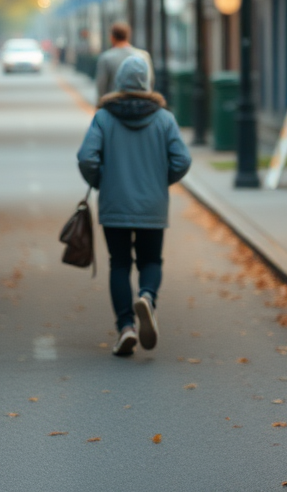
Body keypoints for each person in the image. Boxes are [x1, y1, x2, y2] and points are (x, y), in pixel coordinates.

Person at [77, 56, 191, 357]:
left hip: (115, 204)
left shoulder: (104, 117)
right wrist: (159, 180)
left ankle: (126, 327)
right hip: (152, 205)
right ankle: (147, 297)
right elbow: (183, 160)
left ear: (119, 82)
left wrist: (102, 181)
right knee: (151, 261)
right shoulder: (164, 118)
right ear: (147, 82)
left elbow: (86, 157)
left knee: (120, 263)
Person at [95, 22, 154, 101]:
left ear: (112, 37)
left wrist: (100, 105)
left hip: (114, 106)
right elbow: (150, 81)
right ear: (128, 36)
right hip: (142, 105)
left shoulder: (106, 58)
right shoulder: (143, 56)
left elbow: (101, 85)